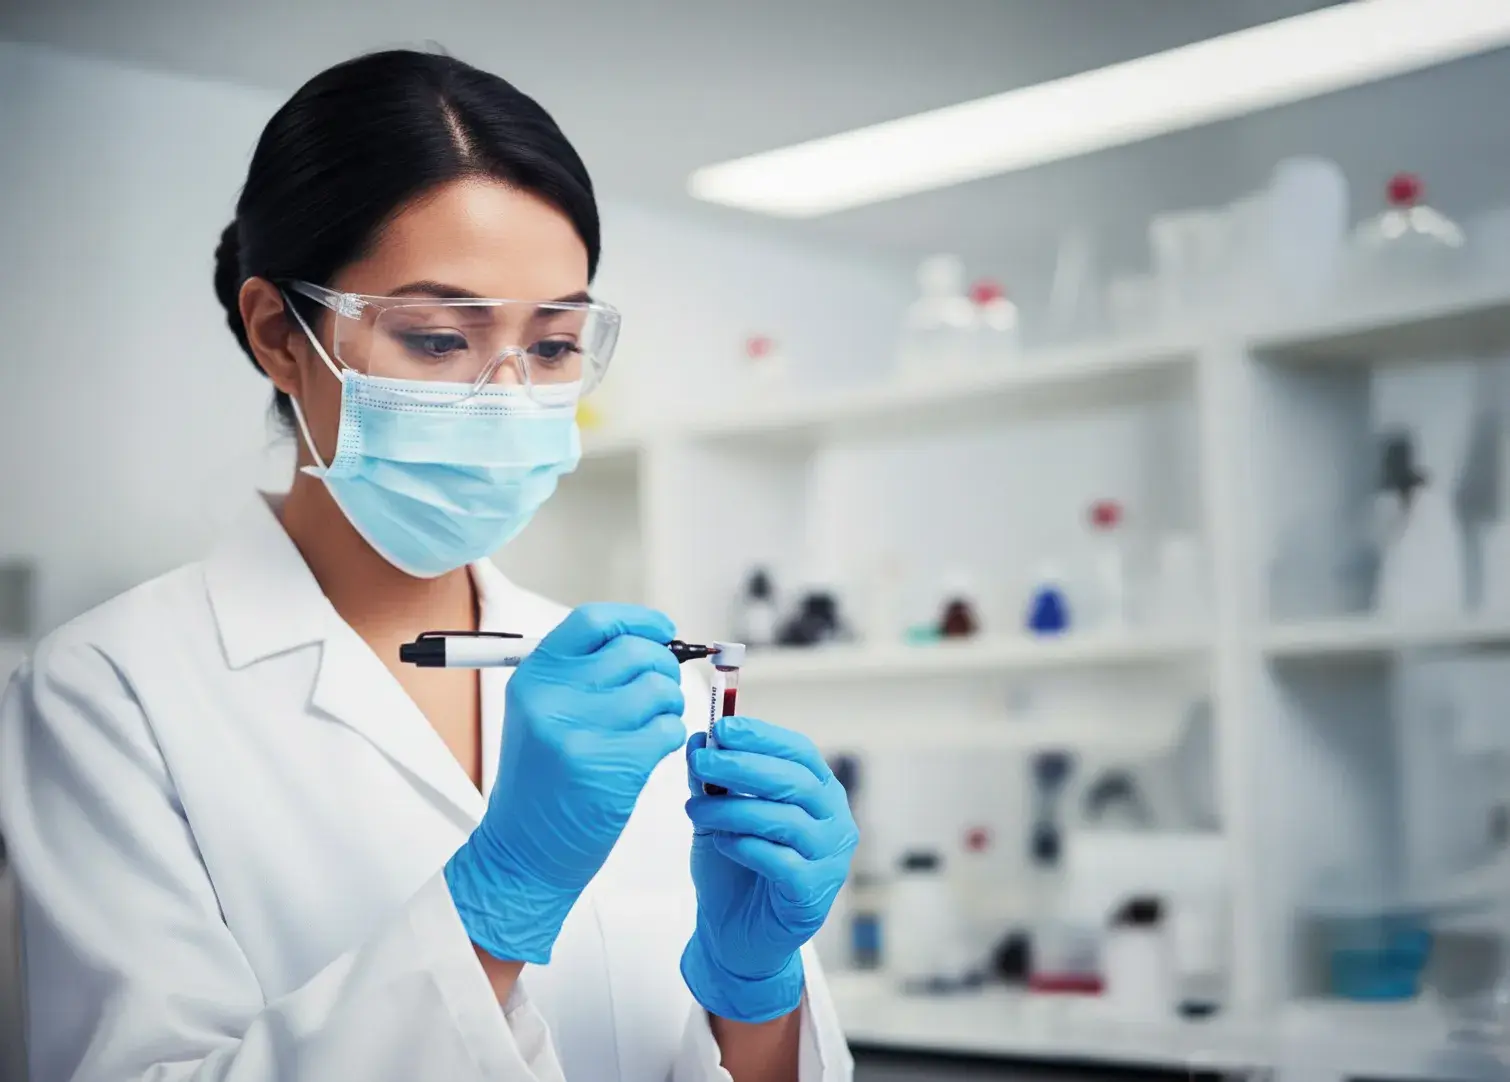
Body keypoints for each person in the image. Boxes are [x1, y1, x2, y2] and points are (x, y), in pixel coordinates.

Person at [0, 50, 858, 1082]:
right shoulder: (112, 689)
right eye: (440, 336)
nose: (506, 392)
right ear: (280, 333)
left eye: (550, 346)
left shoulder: (613, 680)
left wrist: (755, 997)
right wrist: (492, 902)